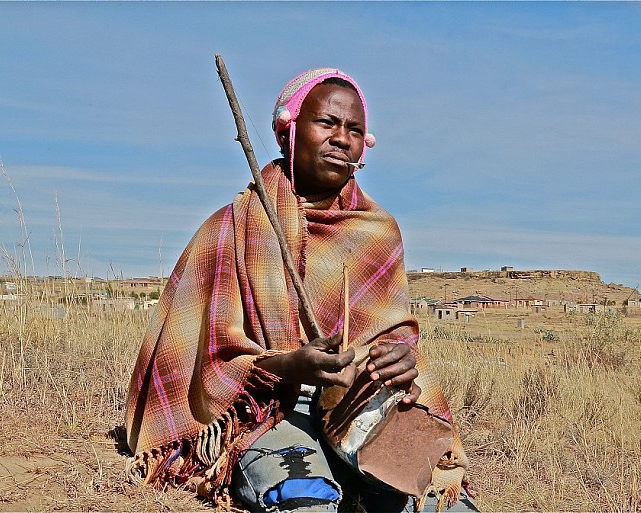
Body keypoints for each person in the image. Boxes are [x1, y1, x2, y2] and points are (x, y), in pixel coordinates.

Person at [125, 68, 476, 512]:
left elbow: (394, 330)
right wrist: (290, 366)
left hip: (362, 402)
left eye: (354, 130)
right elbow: (206, 359)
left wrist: (400, 355)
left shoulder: (378, 232)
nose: (342, 138)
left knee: (439, 502)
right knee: (306, 500)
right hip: (266, 410)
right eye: (327, 123)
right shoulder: (231, 229)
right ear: (288, 130)